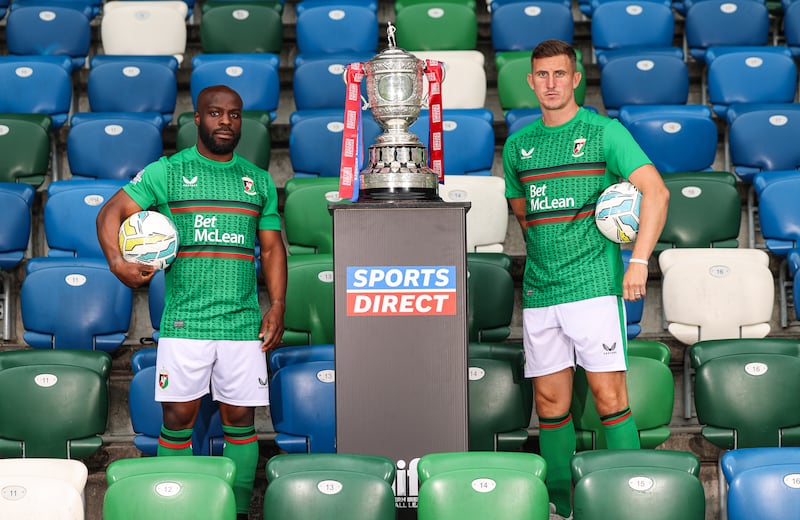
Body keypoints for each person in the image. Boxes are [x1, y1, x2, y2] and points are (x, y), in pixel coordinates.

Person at [97, 85, 287, 520]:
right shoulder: (168, 172)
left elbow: (274, 249)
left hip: (242, 324)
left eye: (234, 115)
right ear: (197, 120)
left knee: (241, 421)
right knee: (179, 418)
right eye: (216, 113)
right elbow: (110, 212)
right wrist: (116, 262)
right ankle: (176, 508)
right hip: (186, 323)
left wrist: (276, 304)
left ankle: (237, 510)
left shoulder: (257, 180)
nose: (225, 121)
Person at [503, 40, 669, 520]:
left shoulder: (603, 133)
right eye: (542, 75)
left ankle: (631, 499)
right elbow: (524, 216)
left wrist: (637, 261)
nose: (551, 84)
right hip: (540, 291)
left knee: (609, 397)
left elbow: (655, 194)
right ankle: (559, 504)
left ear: (576, 79)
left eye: (560, 74)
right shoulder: (518, 145)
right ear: (531, 81)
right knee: (549, 403)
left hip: (594, 288)